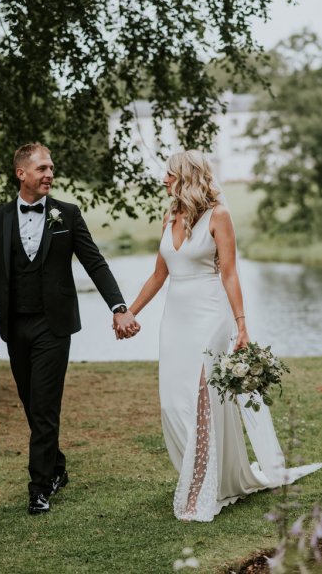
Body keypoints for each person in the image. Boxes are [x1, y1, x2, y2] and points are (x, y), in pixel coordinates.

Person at [124, 149, 321, 522]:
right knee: (171, 403)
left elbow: (229, 273)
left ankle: (200, 487)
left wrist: (241, 323)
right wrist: (130, 312)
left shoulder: (219, 215)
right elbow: (158, 276)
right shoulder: (169, 216)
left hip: (210, 316)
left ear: (186, 176)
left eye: (169, 174)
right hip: (175, 319)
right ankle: (201, 472)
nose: (164, 180)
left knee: (201, 400)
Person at [0, 142, 140, 515]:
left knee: (46, 405)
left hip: (54, 326)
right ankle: (57, 466)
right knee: (31, 403)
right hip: (15, 325)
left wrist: (119, 307)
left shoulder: (67, 214)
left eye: (51, 168)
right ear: (22, 173)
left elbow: (95, 263)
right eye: (42, 169)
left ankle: (39, 487)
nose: (49, 174)